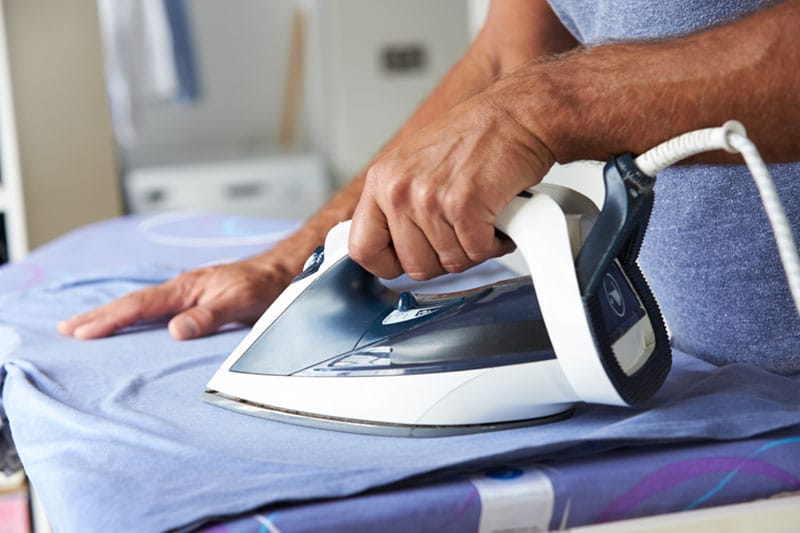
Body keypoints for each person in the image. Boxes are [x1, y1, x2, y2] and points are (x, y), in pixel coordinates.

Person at [60, 0, 800, 374]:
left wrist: (547, 110)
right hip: (690, 390)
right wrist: (296, 264)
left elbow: (526, 91)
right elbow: (515, 50)